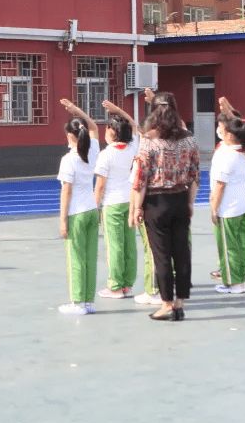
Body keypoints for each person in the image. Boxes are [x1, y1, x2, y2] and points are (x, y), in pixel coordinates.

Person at [129, 92, 199, 321]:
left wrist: (138, 208)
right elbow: (194, 174)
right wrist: (189, 203)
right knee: (182, 253)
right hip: (180, 198)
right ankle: (180, 302)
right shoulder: (189, 139)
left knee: (161, 255)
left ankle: (166, 303)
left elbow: (141, 178)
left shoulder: (148, 140)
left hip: (156, 202)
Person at [56, 99, 100, 315]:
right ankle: (88, 301)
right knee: (90, 257)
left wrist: (62, 220)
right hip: (92, 209)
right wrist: (78, 112)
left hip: (76, 213)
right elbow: (94, 127)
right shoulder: (92, 151)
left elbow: (66, 191)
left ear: (69, 136)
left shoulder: (68, 159)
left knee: (76, 257)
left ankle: (77, 302)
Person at [94, 100, 140, 300]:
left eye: (108, 129)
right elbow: (135, 125)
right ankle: (127, 284)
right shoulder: (132, 148)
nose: (105, 132)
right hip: (129, 201)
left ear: (113, 132)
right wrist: (119, 110)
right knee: (129, 243)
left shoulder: (106, 154)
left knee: (114, 245)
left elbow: (100, 185)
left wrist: (95, 207)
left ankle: (115, 286)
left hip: (112, 203)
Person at [210, 115, 245, 294]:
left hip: (229, 207)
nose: (219, 131)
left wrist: (214, 208)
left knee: (229, 247)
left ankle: (233, 282)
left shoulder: (228, 155)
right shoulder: (244, 151)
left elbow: (220, 184)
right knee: (241, 244)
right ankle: (241, 279)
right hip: (243, 204)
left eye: (222, 128)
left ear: (229, 134)